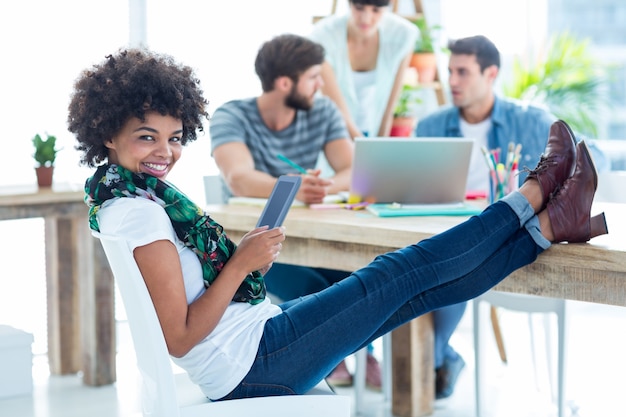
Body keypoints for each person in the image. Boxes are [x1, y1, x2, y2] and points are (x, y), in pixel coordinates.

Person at [71, 46, 608, 404]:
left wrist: (243, 265)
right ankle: (536, 193)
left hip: (256, 344)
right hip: (253, 364)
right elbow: (180, 337)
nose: (165, 152)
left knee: (414, 291)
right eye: (146, 137)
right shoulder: (138, 213)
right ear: (108, 133)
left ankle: (548, 225)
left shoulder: (128, 194)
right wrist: (240, 264)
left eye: (174, 137)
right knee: (403, 269)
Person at [414, 35, 607, 400]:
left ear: (491, 74)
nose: (452, 81)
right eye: (449, 71)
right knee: (436, 264)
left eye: (463, 72)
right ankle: (439, 360)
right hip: (442, 231)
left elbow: (592, 152)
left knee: (449, 266)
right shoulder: (429, 127)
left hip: (501, 240)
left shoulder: (529, 121)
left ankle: (434, 361)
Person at [209, 34, 380, 389]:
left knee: (354, 276)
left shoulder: (323, 111)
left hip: (308, 233)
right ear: (285, 82)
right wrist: (293, 185)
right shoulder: (232, 115)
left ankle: (352, 357)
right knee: (315, 286)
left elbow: (353, 170)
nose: (322, 84)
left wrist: (321, 187)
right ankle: (329, 358)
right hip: (248, 245)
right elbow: (238, 177)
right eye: (314, 76)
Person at [309, 0, 418, 139]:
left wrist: (379, 143)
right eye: (359, 8)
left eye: (376, 10)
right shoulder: (322, 35)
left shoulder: (403, 34)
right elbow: (335, 108)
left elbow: (389, 105)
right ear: (349, 4)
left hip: (370, 127)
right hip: (332, 135)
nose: (366, 18)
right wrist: (365, 148)